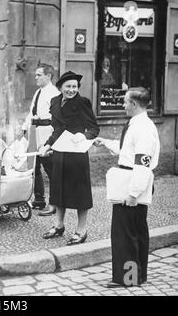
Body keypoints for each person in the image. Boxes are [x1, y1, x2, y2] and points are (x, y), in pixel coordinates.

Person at [94, 87, 160, 288]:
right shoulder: (137, 125)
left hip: (132, 183)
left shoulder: (144, 129)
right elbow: (127, 151)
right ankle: (138, 275)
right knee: (136, 231)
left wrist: (133, 193)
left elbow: (142, 163)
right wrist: (105, 142)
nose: (123, 105)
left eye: (124, 102)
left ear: (133, 104)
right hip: (131, 179)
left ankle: (128, 278)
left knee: (125, 234)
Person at [39, 71, 100, 245]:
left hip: (77, 154)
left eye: (74, 87)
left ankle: (82, 230)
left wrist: (84, 136)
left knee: (80, 193)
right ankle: (58, 225)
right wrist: (47, 144)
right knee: (58, 190)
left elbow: (94, 129)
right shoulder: (55, 102)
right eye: (68, 86)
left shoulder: (83, 103)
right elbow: (57, 129)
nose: (72, 90)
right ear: (61, 88)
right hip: (60, 153)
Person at [22, 63, 60, 216]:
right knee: (34, 168)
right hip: (34, 133)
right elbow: (32, 112)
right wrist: (25, 128)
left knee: (51, 170)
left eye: (39, 75)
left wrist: (52, 140)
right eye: (36, 74)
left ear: (48, 76)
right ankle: (39, 199)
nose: (35, 77)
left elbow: (57, 118)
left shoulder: (54, 94)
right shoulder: (38, 92)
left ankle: (54, 203)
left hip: (46, 134)